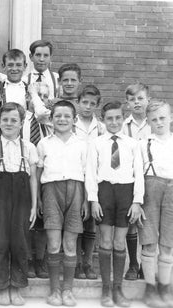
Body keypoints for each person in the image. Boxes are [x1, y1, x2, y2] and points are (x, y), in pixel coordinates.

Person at [86, 101, 144, 307]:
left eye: (117, 117)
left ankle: (118, 288)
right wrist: (93, 200)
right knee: (106, 242)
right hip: (104, 192)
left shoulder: (132, 144)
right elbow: (91, 173)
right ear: (103, 119)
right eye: (109, 118)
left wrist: (137, 201)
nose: (114, 122)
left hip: (125, 192)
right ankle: (106, 288)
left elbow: (139, 175)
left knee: (120, 242)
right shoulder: (96, 143)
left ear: (123, 118)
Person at [0, 103, 38, 306]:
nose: (9, 123)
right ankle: (1, 287)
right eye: (5, 120)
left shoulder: (29, 147)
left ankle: (16, 286)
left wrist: (33, 206)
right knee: (0, 241)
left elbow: (33, 179)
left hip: (23, 198)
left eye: (14, 120)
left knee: (20, 241)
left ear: (21, 123)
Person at [37, 100, 88, 306]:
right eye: (58, 116)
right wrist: (39, 199)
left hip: (76, 191)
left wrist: (86, 200)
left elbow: (87, 174)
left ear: (74, 119)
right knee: (54, 242)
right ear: (51, 119)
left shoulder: (82, 144)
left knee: (69, 244)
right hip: (51, 191)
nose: (62, 119)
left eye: (67, 116)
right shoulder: (44, 143)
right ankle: (54, 291)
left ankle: (67, 290)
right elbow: (38, 173)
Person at [138, 100, 173, 308]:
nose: (159, 123)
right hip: (151, 190)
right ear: (148, 122)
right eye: (154, 119)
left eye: (162, 118)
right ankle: (150, 288)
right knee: (149, 241)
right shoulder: (144, 144)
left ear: (171, 118)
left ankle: (164, 288)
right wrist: (138, 201)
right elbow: (139, 176)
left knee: (168, 243)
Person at [72, 85, 104, 280]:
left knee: (91, 221)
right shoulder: (70, 123)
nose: (87, 107)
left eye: (92, 104)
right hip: (75, 174)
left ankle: (88, 263)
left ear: (97, 106)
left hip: (94, 176)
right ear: (77, 102)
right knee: (76, 221)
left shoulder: (100, 127)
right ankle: (75, 263)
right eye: (84, 102)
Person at [122, 82, 151, 281]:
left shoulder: (155, 122)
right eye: (132, 100)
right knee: (132, 221)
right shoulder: (124, 126)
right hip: (131, 179)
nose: (137, 102)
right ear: (127, 103)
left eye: (140, 98)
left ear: (147, 100)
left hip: (151, 177)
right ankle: (133, 263)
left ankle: (146, 265)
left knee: (148, 222)